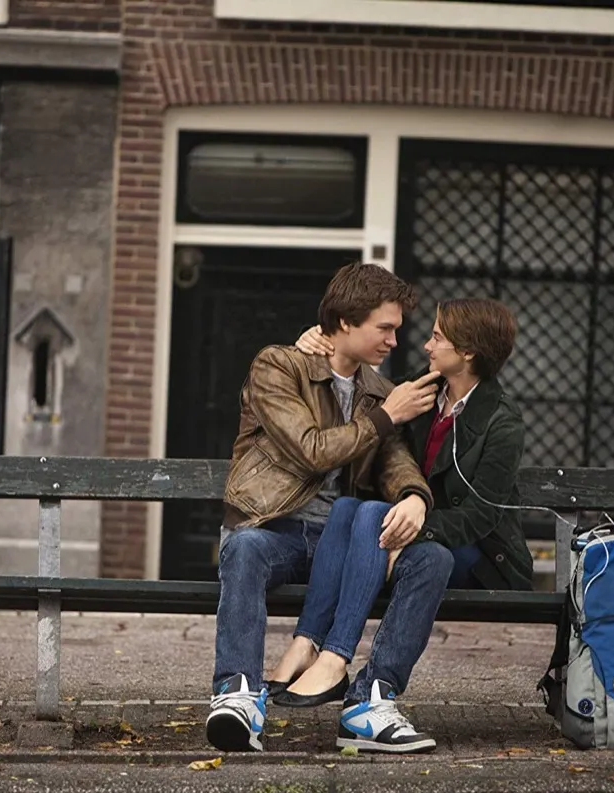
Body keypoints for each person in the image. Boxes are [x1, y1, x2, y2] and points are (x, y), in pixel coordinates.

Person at [265, 297, 532, 754]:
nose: (426, 345)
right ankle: (321, 653)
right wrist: (316, 342)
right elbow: (357, 392)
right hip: (412, 534)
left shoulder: (501, 422)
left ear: (467, 351)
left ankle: (360, 678)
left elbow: (481, 515)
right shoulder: (425, 395)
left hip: (477, 550)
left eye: (437, 337)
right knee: (354, 508)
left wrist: (416, 527)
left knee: (426, 552)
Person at [206, 262, 443, 753]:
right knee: (245, 548)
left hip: (345, 541)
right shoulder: (279, 366)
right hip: (279, 531)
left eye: (397, 329)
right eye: (384, 328)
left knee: (430, 561)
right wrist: (385, 416)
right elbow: (310, 448)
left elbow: (396, 462)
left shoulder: (379, 392)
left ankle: (370, 699)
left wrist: (415, 497)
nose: (394, 342)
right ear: (344, 323)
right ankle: (239, 695)